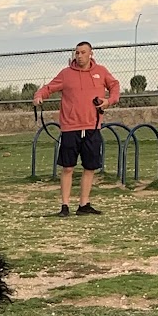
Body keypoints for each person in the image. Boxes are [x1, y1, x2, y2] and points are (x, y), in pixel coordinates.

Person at [33, 41, 120, 216]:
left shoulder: (101, 72)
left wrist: (109, 101)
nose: (79, 56)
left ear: (91, 54)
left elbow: (115, 86)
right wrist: (38, 95)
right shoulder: (66, 74)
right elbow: (49, 88)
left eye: (82, 52)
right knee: (67, 167)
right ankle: (64, 206)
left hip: (92, 127)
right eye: (77, 53)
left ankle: (84, 204)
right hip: (70, 128)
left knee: (90, 167)